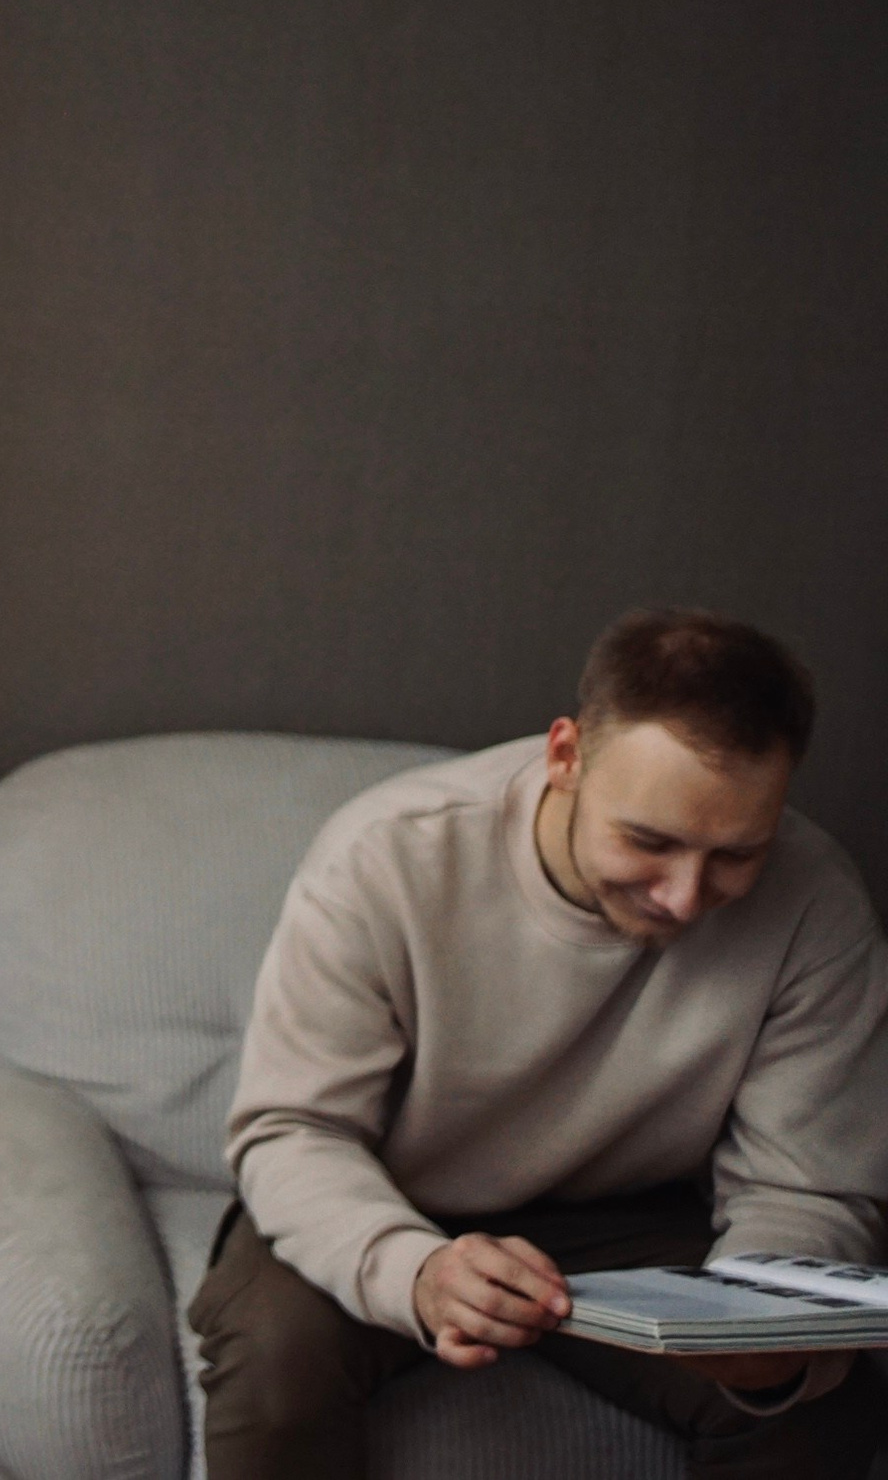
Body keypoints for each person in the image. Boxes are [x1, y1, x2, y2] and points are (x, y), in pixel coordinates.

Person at [190, 608, 888, 1477]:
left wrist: (759, 1323)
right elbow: (292, 1130)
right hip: (385, 1192)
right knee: (274, 1367)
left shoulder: (818, 902)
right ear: (565, 757)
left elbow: (807, 1185)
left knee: (824, 1398)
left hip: (634, 1220)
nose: (683, 895)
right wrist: (414, 1268)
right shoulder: (384, 858)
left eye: (735, 855)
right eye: (649, 840)